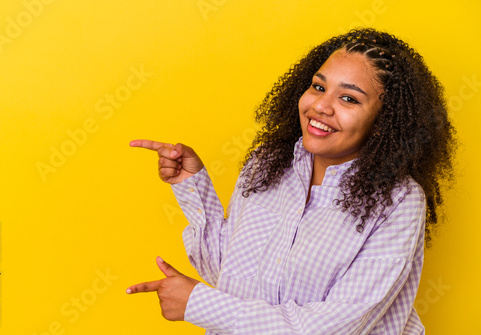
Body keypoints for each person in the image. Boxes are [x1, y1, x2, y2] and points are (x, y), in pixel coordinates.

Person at [126, 28, 457, 334]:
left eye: (349, 99)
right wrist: (191, 185)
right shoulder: (268, 163)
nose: (321, 106)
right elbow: (231, 276)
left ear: (385, 121)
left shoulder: (398, 201)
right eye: (318, 86)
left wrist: (200, 304)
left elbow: (333, 327)